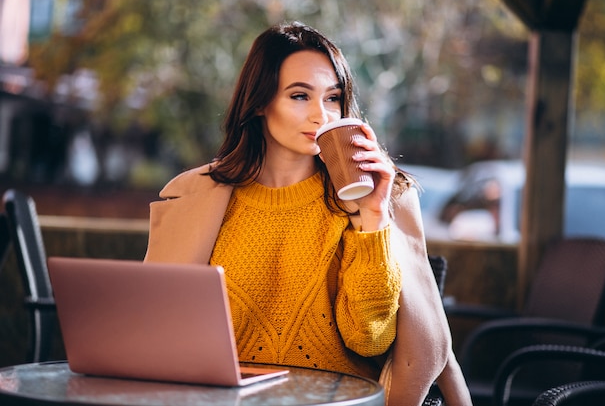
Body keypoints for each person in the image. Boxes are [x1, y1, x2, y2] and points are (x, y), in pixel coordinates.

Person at [144, 21, 472, 406]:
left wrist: (374, 219)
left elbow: (369, 339)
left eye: (332, 98)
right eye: (300, 96)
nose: (322, 115)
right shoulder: (200, 196)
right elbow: (160, 333)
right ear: (261, 102)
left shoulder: (375, 197)